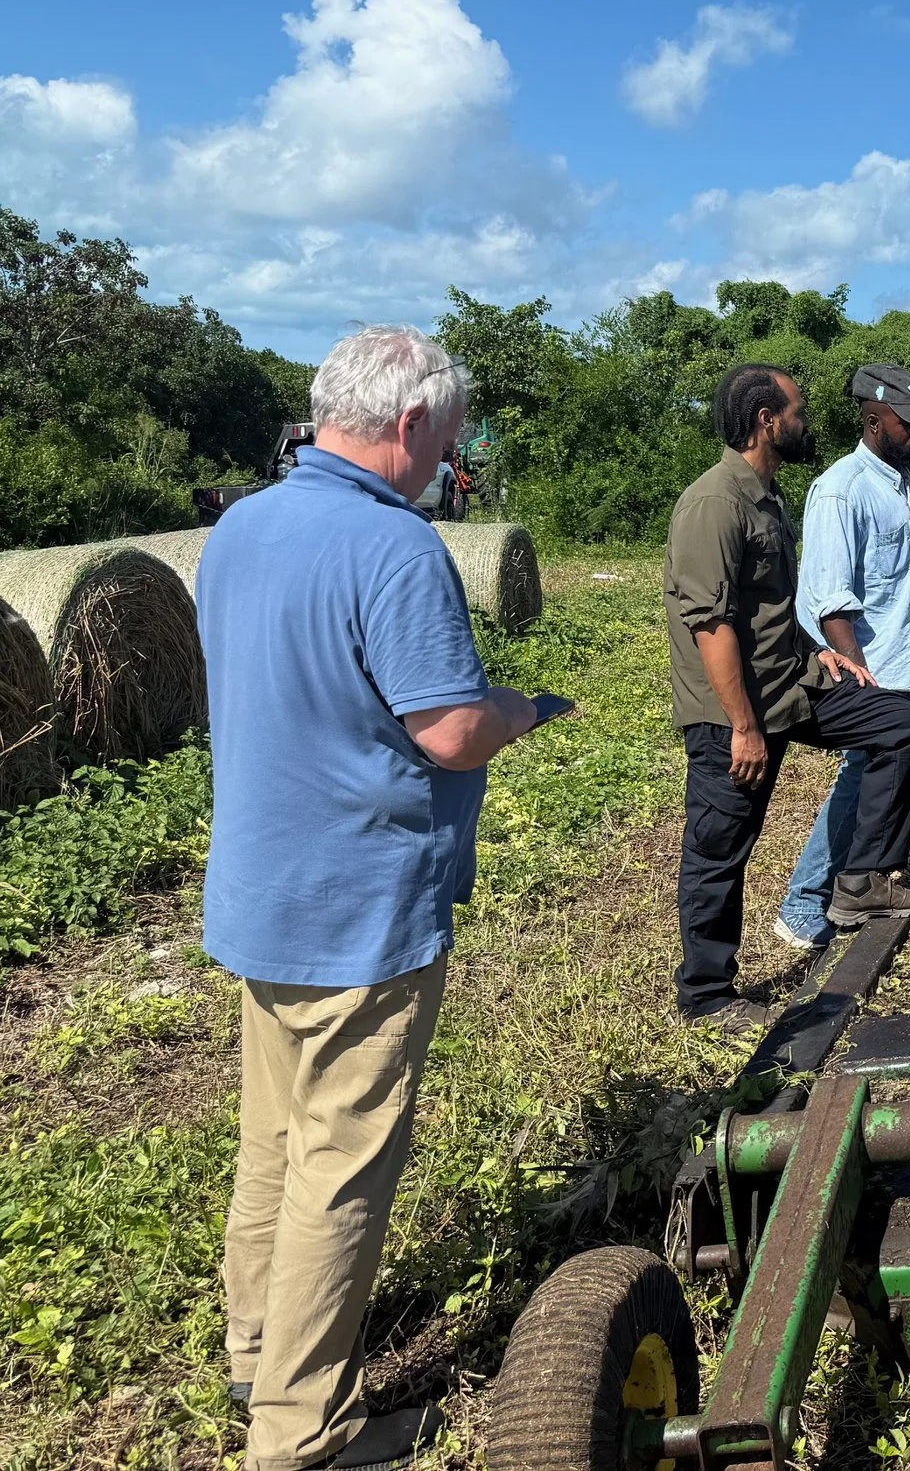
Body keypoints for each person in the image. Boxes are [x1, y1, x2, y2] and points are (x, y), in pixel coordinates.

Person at [200, 325, 564, 1471]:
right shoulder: (395, 547)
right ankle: (301, 1434)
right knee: (341, 1168)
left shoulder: (241, 527)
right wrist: (522, 706)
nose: (447, 463)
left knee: (274, 1139)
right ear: (411, 426)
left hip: (262, 891)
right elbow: (448, 729)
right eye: (449, 441)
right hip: (358, 904)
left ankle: (255, 1350)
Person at [663, 364, 910, 1023]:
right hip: (733, 708)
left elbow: (768, 608)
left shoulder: (766, 496)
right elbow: (712, 623)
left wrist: (816, 652)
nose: (806, 420)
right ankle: (705, 996)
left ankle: (859, 883)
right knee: (720, 847)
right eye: (797, 410)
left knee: (899, 726)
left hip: (791, 681)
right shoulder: (714, 503)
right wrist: (742, 725)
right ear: (766, 421)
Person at [776, 361, 910, 945]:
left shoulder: (895, 485)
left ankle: (851, 886)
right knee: (863, 773)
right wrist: (860, 677)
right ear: (875, 421)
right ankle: (807, 904)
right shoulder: (842, 489)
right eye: (909, 424)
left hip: (896, 659)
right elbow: (829, 598)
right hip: (864, 666)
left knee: (867, 774)